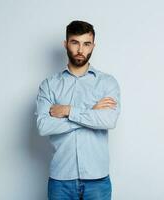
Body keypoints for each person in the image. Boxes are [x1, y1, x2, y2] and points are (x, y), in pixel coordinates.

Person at [35, 20, 120, 200]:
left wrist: (68, 110)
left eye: (86, 44)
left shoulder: (107, 83)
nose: (81, 50)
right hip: (60, 180)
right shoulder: (49, 85)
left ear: (93, 46)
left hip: (97, 180)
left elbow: (108, 121)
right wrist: (91, 113)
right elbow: (44, 126)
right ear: (65, 44)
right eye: (75, 42)